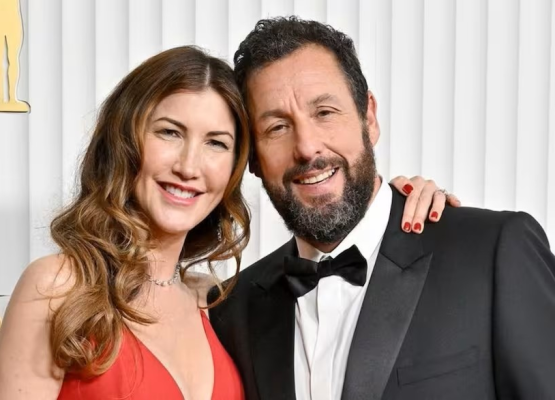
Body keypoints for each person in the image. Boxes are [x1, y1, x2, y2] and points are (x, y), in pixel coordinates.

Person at [0, 46, 452, 399]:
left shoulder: (217, 304)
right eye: (169, 132)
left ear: (237, 166)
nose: (189, 166)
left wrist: (397, 207)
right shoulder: (58, 289)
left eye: (216, 143)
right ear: (125, 140)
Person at [208, 16, 555, 400]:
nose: (306, 147)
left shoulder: (493, 253)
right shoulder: (233, 310)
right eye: (277, 127)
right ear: (252, 158)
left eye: (325, 112)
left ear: (368, 117)